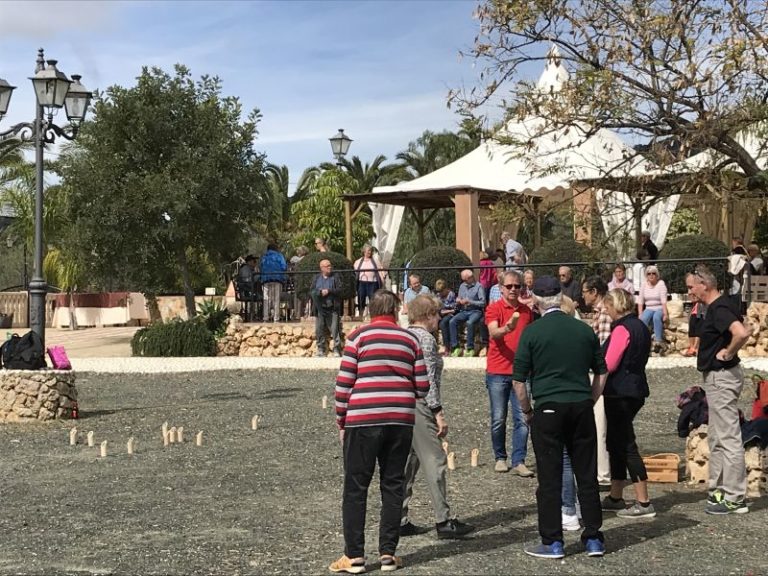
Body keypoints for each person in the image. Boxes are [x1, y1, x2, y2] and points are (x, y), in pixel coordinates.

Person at [330, 290, 429, 574]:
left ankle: (354, 556)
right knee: (393, 484)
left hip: (363, 420)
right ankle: (388, 553)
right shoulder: (410, 339)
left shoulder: (358, 338)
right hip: (399, 420)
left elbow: (343, 386)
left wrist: (341, 421)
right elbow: (422, 387)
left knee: (356, 487)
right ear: (396, 310)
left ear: (371, 311)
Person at [512, 275, 607, 559]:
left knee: (550, 476)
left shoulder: (532, 332)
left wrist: (527, 411)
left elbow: (518, 382)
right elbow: (602, 372)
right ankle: (593, 538)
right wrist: (590, 399)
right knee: (586, 473)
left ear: (537, 301)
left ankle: (553, 541)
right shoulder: (582, 329)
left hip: (548, 407)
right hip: (579, 404)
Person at [400, 294, 475, 539]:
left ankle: (398, 518)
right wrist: (438, 413)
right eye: (436, 315)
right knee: (435, 461)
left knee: (408, 462)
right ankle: (443, 520)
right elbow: (428, 379)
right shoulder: (426, 340)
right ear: (428, 316)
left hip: (401, 405)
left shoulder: (404, 336)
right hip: (420, 405)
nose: (439, 320)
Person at [686, 266, 752, 515]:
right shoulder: (717, 307)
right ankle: (719, 489)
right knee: (716, 436)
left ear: (705, 284)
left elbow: (742, 332)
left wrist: (729, 352)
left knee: (728, 437)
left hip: (722, 377)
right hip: (716, 378)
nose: (689, 291)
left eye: (692, 286)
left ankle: (735, 497)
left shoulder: (720, 307)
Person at [600, 288, 656, 519]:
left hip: (620, 392)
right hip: (635, 388)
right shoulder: (641, 325)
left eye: (607, 305)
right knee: (615, 442)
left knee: (625, 443)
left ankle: (643, 502)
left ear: (616, 305)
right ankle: (615, 495)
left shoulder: (622, 329)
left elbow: (609, 363)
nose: (605, 309)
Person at [484, 270, 535, 477]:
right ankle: (500, 457)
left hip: (521, 373)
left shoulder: (526, 311)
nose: (514, 289)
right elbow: (494, 332)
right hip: (497, 370)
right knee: (498, 418)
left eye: (517, 286)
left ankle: (519, 460)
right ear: (501, 288)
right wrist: (508, 327)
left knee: (522, 418)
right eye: (510, 286)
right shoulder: (494, 308)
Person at [581, 276, 612, 490]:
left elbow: (603, 347)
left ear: (594, 292)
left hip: (600, 374)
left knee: (600, 424)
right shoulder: (599, 313)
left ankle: (603, 474)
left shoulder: (604, 315)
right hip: (597, 371)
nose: (582, 295)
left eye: (585, 291)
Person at [449, 269, 486, 357]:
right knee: (452, 321)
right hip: (464, 311)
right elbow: (459, 298)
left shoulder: (479, 287)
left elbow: (483, 303)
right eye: (463, 280)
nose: (464, 282)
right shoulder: (462, 286)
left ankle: (470, 348)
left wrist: (470, 301)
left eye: (465, 280)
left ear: (471, 278)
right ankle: (455, 347)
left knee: (470, 323)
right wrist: (458, 300)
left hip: (475, 311)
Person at [311, 259, 343, 357]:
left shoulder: (335, 277)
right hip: (320, 308)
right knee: (319, 329)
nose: (330, 267)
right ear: (322, 268)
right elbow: (312, 291)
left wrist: (329, 291)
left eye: (330, 265)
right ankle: (321, 349)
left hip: (332, 307)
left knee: (334, 329)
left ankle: (337, 349)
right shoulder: (316, 278)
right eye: (327, 266)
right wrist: (320, 292)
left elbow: (340, 290)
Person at [637, 264, 668, 352]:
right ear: (646, 275)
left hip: (659, 307)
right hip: (649, 307)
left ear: (656, 275)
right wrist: (640, 313)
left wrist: (665, 313)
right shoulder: (643, 285)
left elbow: (663, 300)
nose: (651, 275)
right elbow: (640, 300)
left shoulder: (661, 284)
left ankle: (658, 341)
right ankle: (644, 341)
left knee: (656, 318)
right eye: (649, 273)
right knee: (643, 319)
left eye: (653, 273)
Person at [353, 244, 386, 318]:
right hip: (362, 282)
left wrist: (382, 280)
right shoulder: (358, 261)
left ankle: (372, 315)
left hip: (373, 283)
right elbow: (355, 272)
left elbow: (380, 271)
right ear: (364, 251)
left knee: (372, 299)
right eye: (368, 251)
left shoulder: (375, 261)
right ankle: (361, 315)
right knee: (361, 298)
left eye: (370, 251)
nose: (369, 252)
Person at [260, 243, 287, 323]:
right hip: (277, 279)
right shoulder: (279, 256)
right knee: (276, 299)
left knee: (266, 299)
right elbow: (284, 266)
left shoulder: (264, 257)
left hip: (265, 279)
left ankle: (265, 318)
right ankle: (276, 318)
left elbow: (260, 267)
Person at [435, 279, 457, 355]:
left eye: (442, 291)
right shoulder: (438, 296)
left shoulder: (451, 294)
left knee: (443, 324)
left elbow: (454, 309)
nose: (440, 293)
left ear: (445, 289)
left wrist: (445, 311)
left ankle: (447, 346)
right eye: (439, 292)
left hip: (449, 314)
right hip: (441, 314)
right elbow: (437, 307)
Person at [236, 254, 258, 321]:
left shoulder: (250, 269)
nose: (255, 263)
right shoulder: (245, 269)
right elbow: (246, 281)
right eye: (254, 261)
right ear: (249, 262)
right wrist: (256, 277)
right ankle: (255, 315)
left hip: (249, 290)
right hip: (246, 292)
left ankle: (256, 315)